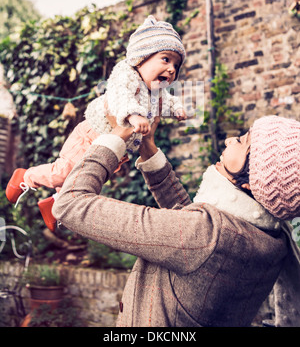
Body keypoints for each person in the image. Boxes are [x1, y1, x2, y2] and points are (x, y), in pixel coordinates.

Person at [51, 113, 300, 327]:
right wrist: (148, 149)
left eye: (243, 141)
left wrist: (115, 137)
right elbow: (190, 233)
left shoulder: (204, 236)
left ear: (251, 180)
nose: (229, 140)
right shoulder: (272, 240)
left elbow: (71, 203)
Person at [5, 16, 186, 231]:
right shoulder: (126, 74)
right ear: (141, 58)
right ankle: (26, 176)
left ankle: (54, 204)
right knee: (63, 172)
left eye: (176, 64)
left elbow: (165, 101)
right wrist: (134, 116)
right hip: (92, 134)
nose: (172, 69)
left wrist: (176, 109)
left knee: (87, 180)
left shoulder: (154, 91)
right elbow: (120, 96)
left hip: (116, 148)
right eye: (166, 59)